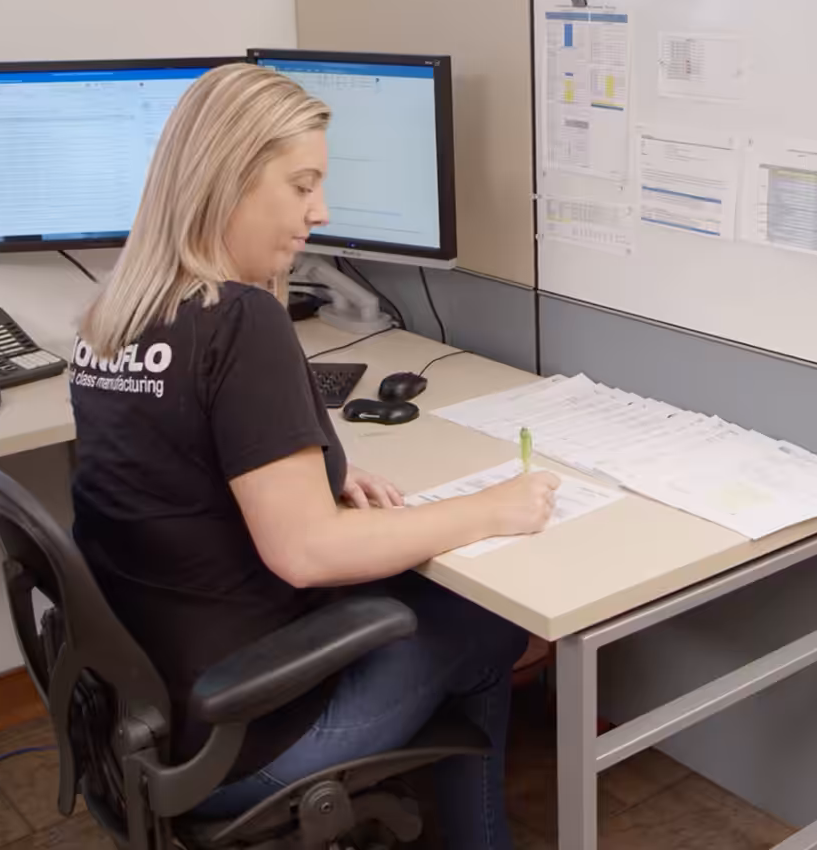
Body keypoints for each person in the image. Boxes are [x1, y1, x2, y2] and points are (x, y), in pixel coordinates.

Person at [69, 63, 558, 849]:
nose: (318, 212)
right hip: (247, 735)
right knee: (485, 619)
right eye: (300, 185)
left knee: (417, 586)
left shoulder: (116, 313)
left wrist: (320, 472)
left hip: (151, 708)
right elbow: (305, 552)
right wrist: (493, 507)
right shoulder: (239, 321)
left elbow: (181, 472)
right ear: (228, 178)